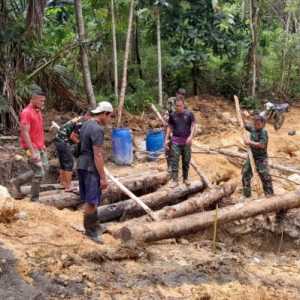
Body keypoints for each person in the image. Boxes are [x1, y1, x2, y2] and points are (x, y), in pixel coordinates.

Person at [77, 101, 113, 243]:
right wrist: (103, 177)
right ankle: (90, 231)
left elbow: (78, 145)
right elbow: (97, 154)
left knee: (92, 198)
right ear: (104, 114)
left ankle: (95, 225)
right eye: (110, 116)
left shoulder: (85, 124)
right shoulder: (97, 129)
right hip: (91, 167)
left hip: (81, 164)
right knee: (92, 201)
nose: (110, 120)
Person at [10, 91, 48, 202]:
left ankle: (17, 181)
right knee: (39, 173)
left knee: (45, 168)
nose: (43, 102)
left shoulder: (38, 111)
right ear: (33, 99)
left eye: (44, 100)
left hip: (40, 146)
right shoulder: (26, 112)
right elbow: (24, 132)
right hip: (31, 147)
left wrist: (43, 144)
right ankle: (34, 200)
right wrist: (32, 151)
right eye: (41, 100)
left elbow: (38, 129)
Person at [54, 111, 91, 192]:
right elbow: (73, 137)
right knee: (69, 163)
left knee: (63, 163)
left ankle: (63, 183)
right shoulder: (82, 122)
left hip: (58, 140)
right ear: (87, 115)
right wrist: (82, 144)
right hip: (64, 141)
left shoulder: (78, 119)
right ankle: (68, 186)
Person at [165, 98, 195, 187]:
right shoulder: (172, 115)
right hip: (175, 142)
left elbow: (193, 125)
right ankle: (175, 180)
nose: (178, 107)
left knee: (186, 161)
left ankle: (185, 179)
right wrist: (166, 139)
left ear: (183, 105)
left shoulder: (189, 114)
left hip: (186, 142)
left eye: (179, 106)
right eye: (176, 106)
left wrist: (191, 136)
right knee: (174, 161)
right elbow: (169, 127)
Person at [242, 115, 274, 198]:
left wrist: (249, 142)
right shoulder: (253, 129)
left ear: (263, 124)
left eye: (258, 124)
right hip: (251, 156)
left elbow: (262, 145)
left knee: (265, 176)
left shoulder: (263, 132)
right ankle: (247, 195)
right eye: (255, 123)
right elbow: (245, 125)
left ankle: (269, 195)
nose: (256, 125)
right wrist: (242, 117)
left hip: (261, 158)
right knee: (245, 174)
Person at [164, 88, 187, 174]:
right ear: (176, 94)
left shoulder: (184, 104)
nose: (181, 97)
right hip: (169, 127)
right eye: (179, 95)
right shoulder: (171, 100)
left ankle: (175, 168)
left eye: (183, 96)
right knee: (168, 148)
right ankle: (169, 167)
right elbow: (166, 113)